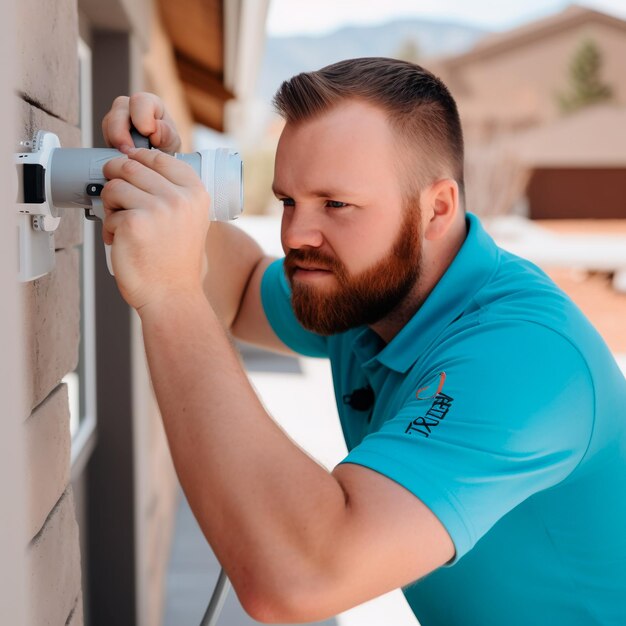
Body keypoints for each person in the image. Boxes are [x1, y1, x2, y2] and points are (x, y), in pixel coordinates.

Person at [100, 58, 626, 625]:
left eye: (336, 204)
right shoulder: (365, 290)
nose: (296, 235)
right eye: (287, 201)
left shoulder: (525, 359)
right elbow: (244, 286)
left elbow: (299, 578)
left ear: (437, 209)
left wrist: (170, 295)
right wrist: (173, 183)